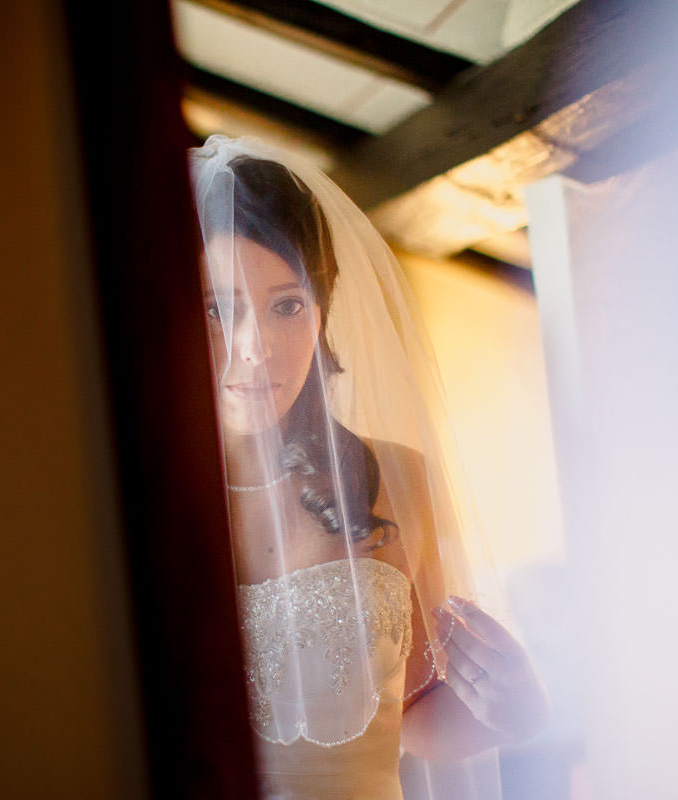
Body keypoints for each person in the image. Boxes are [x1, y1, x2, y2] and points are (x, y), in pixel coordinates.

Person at [189, 136, 548, 798]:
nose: (255, 347)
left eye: (287, 305)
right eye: (220, 307)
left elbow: (416, 719)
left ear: (320, 309)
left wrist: (514, 712)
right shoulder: (125, 499)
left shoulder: (396, 481)